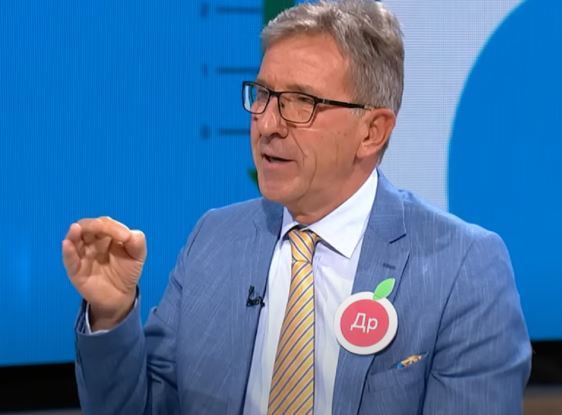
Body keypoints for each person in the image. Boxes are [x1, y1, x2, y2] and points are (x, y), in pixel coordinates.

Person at [62, 0, 531, 414]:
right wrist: (112, 315)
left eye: (300, 102)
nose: (267, 124)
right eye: (264, 95)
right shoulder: (214, 239)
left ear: (372, 131)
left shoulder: (462, 268)